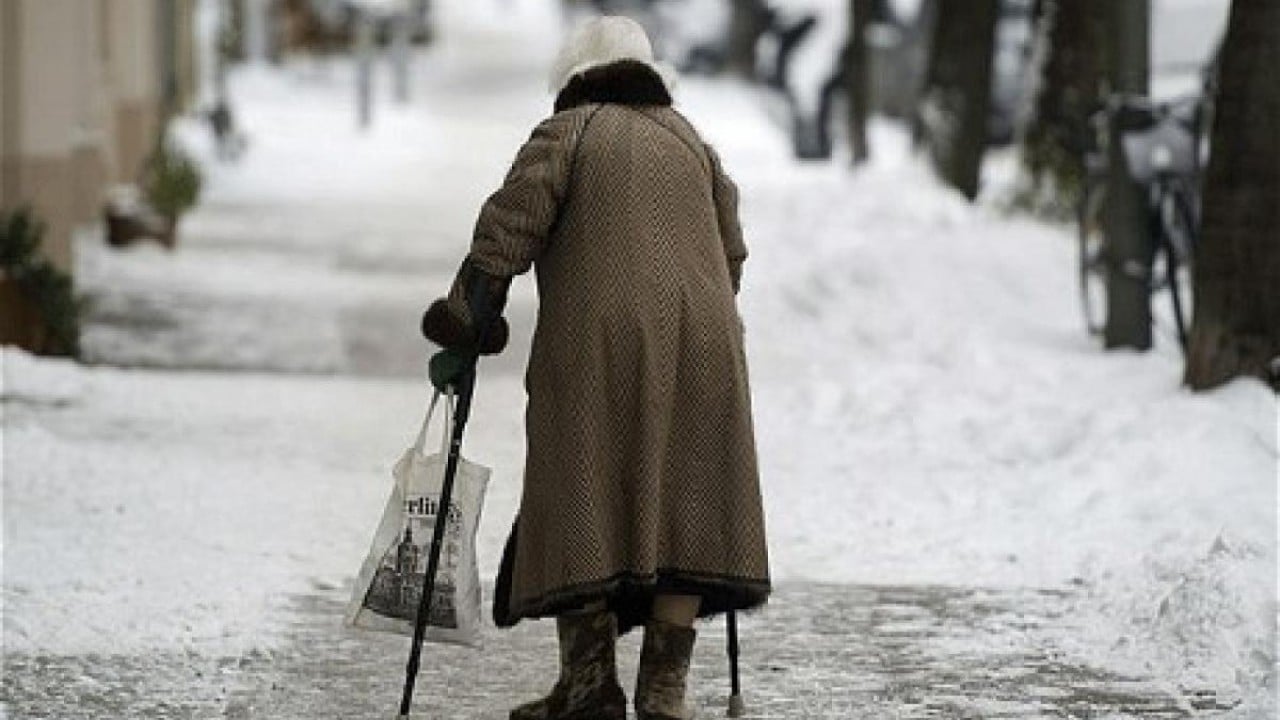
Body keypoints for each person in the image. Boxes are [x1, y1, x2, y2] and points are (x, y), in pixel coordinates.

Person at [420, 16, 770, 720]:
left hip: (598, 346)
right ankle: (664, 691)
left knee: (578, 488)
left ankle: (589, 688)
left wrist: (468, 318)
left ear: (574, 79)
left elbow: (505, 233)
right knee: (689, 505)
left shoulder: (568, 133)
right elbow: (730, 253)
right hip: (704, 344)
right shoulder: (692, 143)